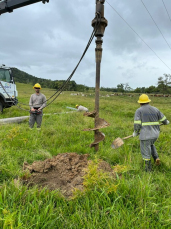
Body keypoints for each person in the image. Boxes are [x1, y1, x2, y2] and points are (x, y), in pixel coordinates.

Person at [133, 94, 169, 172]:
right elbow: (164, 120)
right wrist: (166, 122)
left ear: (140, 103)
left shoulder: (139, 111)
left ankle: (148, 170)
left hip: (145, 135)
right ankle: (156, 158)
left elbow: (137, 124)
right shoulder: (155, 109)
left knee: (145, 151)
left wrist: (136, 132)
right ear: (148, 101)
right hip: (155, 135)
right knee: (151, 144)